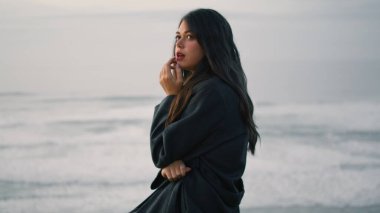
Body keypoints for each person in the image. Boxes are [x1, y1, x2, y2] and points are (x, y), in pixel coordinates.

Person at [130, 8, 259, 213]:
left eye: (189, 37)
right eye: (178, 36)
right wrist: (171, 163)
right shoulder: (213, 89)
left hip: (194, 202)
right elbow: (173, 152)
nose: (179, 44)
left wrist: (171, 97)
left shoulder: (213, 92)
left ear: (211, 43)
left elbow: (161, 151)